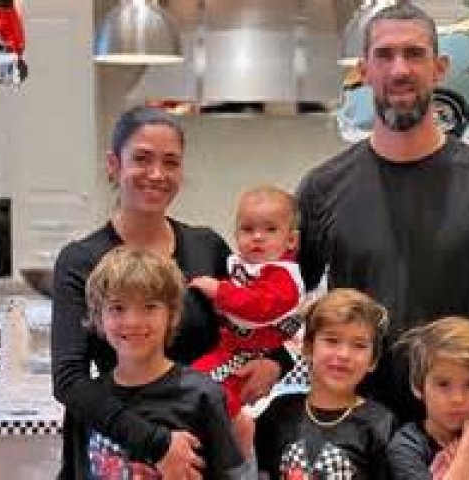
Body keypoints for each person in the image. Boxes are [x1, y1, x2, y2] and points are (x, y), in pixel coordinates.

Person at [296, 3, 469, 421]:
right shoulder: (322, 189)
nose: (399, 70)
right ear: (364, 71)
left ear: (439, 68)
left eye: (414, 54)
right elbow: (280, 298)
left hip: (453, 432)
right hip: (354, 430)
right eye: (384, 55)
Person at [52, 106, 293, 480]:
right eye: (142, 159)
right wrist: (158, 444)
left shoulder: (206, 247)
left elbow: (261, 316)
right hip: (117, 447)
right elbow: (70, 380)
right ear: (114, 164)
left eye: (170, 162)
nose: (156, 174)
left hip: (200, 450)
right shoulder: (81, 261)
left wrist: (276, 360)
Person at [84, 246, 245, 479]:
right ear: (99, 317)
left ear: (172, 315)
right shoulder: (87, 399)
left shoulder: (203, 396)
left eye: (149, 307)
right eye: (117, 308)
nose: (133, 321)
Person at [188, 185, 305, 456]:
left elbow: (258, 307)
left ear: (291, 240)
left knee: (213, 395)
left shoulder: (284, 276)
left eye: (270, 229)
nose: (257, 237)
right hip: (228, 349)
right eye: (247, 229)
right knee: (190, 383)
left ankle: (233, 450)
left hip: (258, 356)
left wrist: (218, 290)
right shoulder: (240, 265)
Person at [255, 288, 396, 480]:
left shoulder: (381, 424)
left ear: (373, 360)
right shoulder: (279, 411)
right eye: (332, 340)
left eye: (359, 345)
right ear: (308, 347)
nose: (344, 355)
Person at [387, 317, 469, 480]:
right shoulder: (406, 447)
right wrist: (468, 448)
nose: (458, 399)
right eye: (443, 384)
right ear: (418, 386)